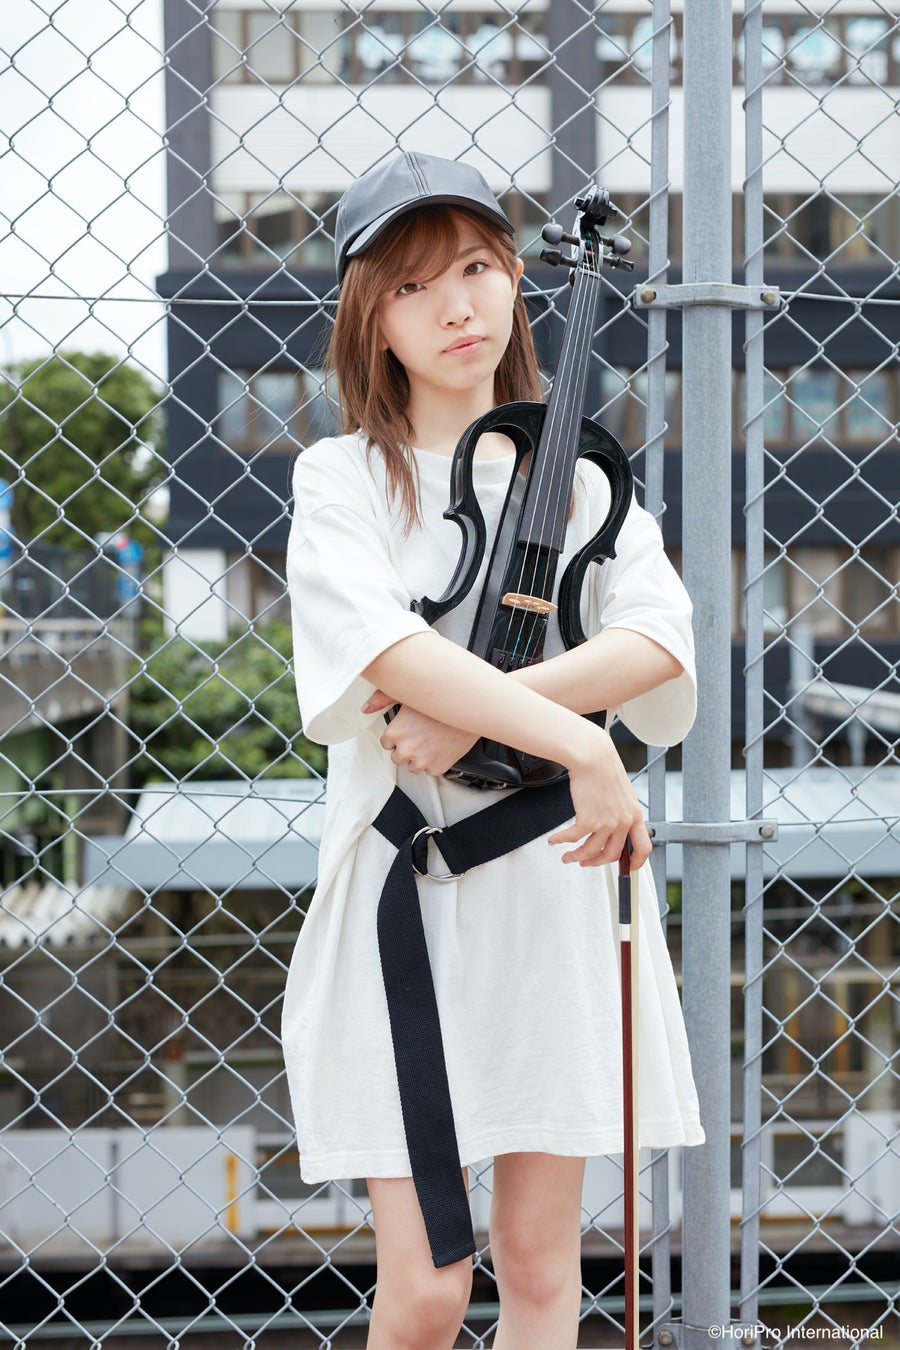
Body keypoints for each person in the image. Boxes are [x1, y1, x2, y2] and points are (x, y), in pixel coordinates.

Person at [283, 150, 703, 1350]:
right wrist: (579, 740)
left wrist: (484, 713)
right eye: (413, 287)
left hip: (552, 884)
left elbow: (660, 641)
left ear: (518, 279)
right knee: (427, 1288)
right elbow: (382, 652)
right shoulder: (342, 476)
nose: (456, 307)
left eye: (475, 268)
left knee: (538, 1265)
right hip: (405, 889)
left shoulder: (583, 482)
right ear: (371, 321)